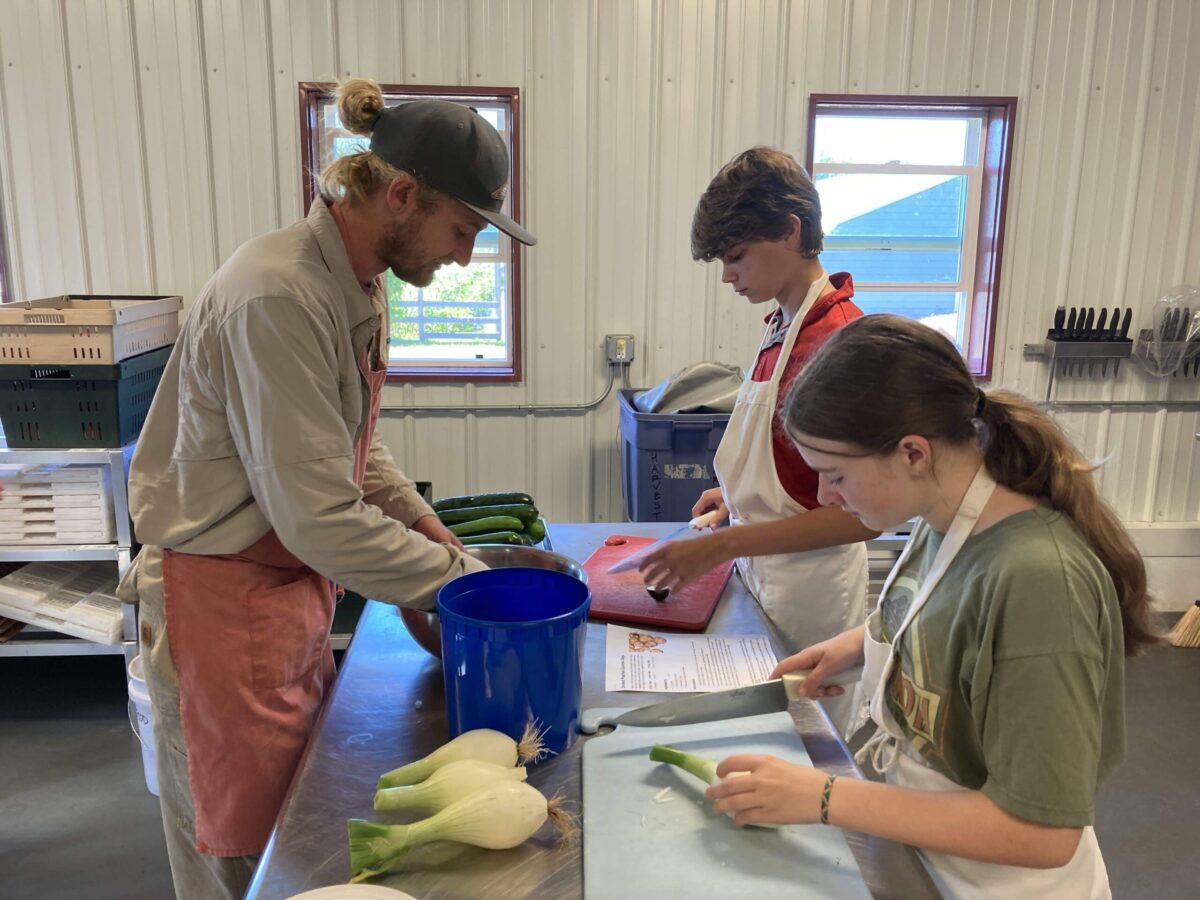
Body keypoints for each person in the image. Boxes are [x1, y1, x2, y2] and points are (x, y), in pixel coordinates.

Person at [117, 78, 535, 899]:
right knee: (245, 859)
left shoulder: (355, 277)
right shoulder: (278, 296)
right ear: (403, 196)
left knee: (294, 831)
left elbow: (349, 447)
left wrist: (430, 530)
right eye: (463, 231)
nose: (463, 256)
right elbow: (315, 515)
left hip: (276, 596)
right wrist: (468, 589)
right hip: (220, 606)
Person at [705, 314, 1157, 898]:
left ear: (913, 453)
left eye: (835, 474)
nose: (823, 497)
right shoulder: (941, 515)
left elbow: (1043, 834)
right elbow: (926, 612)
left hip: (999, 882)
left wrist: (824, 797)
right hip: (929, 857)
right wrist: (850, 649)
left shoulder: (1041, 585)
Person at [638, 147, 877, 735]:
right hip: (764, 575)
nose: (727, 274)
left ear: (790, 232)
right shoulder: (778, 329)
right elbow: (787, 462)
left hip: (811, 597)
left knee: (809, 750)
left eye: (737, 255)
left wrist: (722, 546)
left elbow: (861, 519)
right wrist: (734, 497)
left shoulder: (838, 343)